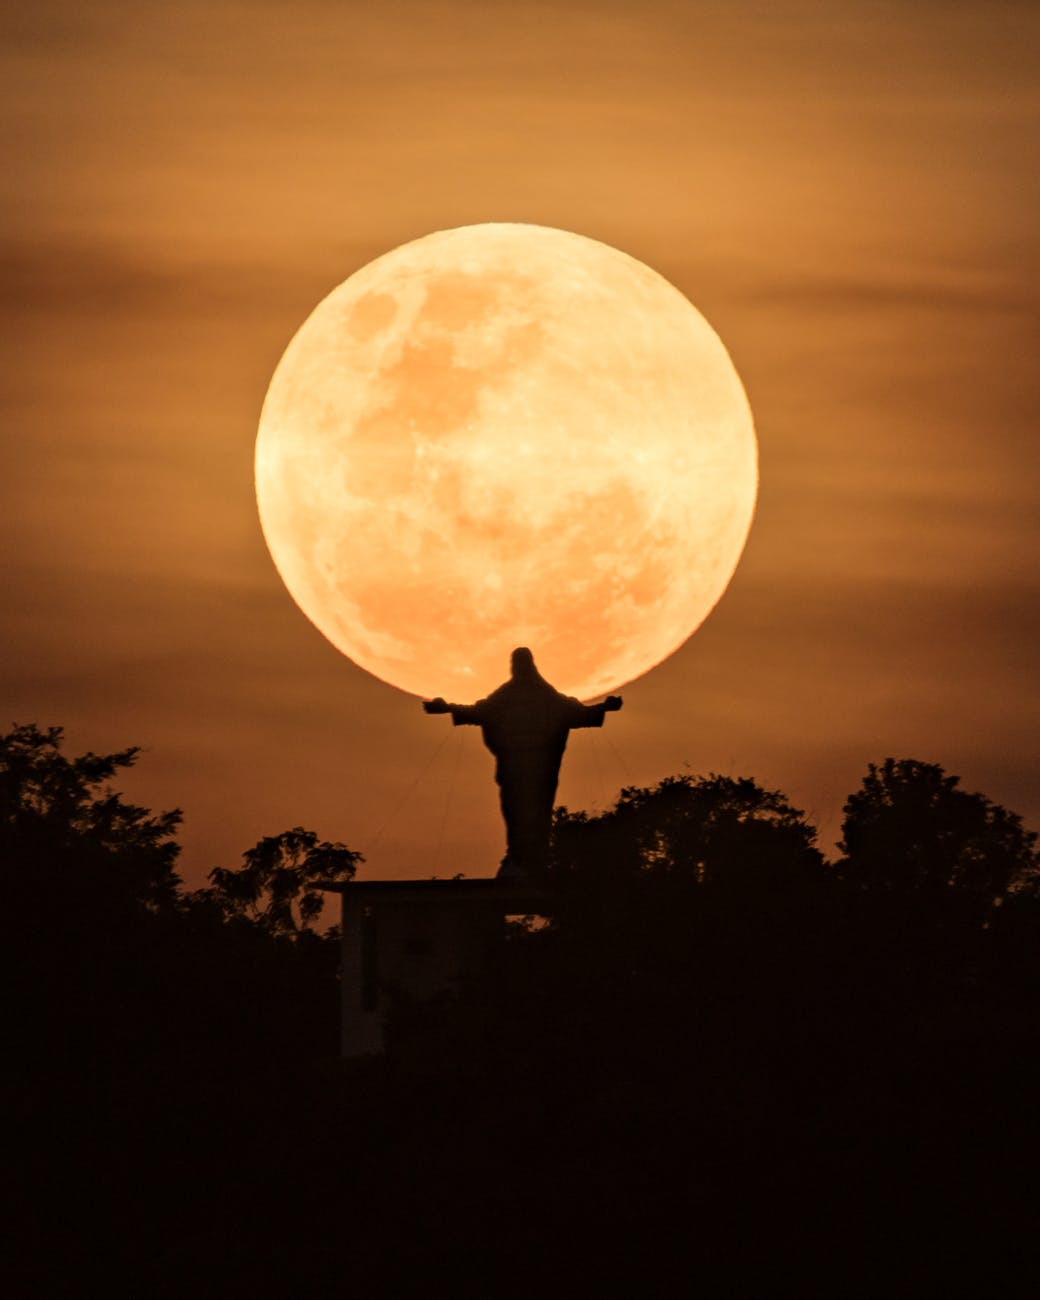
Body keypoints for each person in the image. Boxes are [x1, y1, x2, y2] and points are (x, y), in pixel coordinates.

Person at [423, 647, 622, 879]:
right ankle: (518, 858)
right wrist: (447, 707)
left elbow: (578, 713)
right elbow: (480, 712)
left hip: (539, 768)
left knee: (535, 811)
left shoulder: (543, 698)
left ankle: (534, 860)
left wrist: (604, 707)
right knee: (516, 811)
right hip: (515, 768)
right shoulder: (512, 697)